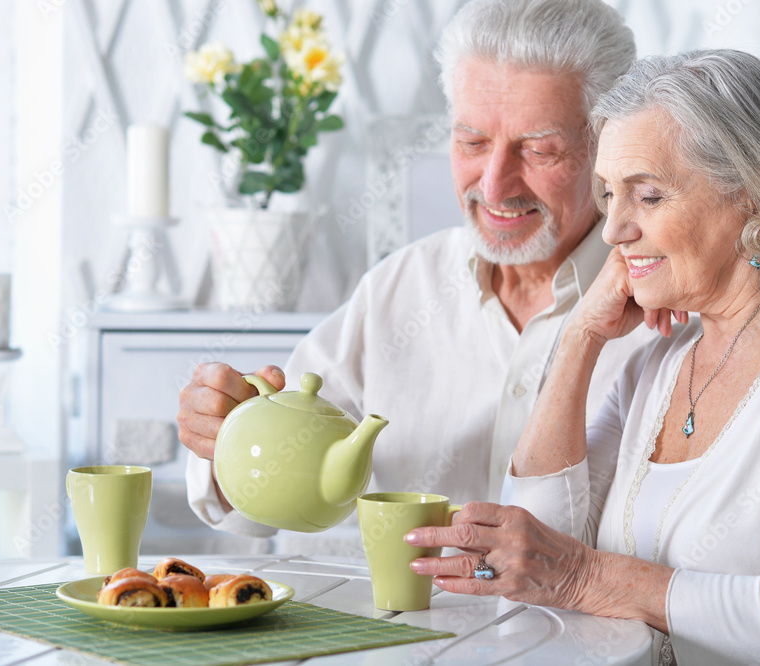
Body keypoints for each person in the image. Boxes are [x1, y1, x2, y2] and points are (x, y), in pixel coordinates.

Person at [405, 49, 760, 665]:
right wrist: (578, 338)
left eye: (648, 195)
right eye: (608, 195)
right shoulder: (654, 365)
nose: (613, 230)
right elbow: (528, 579)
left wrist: (585, 576)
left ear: (753, 195)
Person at [180, 0, 654, 538]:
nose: (495, 186)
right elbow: (274, 495)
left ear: (606, 145)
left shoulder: (666, 304)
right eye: (472, 141)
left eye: (539, 150)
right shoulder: (401, 287)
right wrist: (227, 433)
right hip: (400, 621)